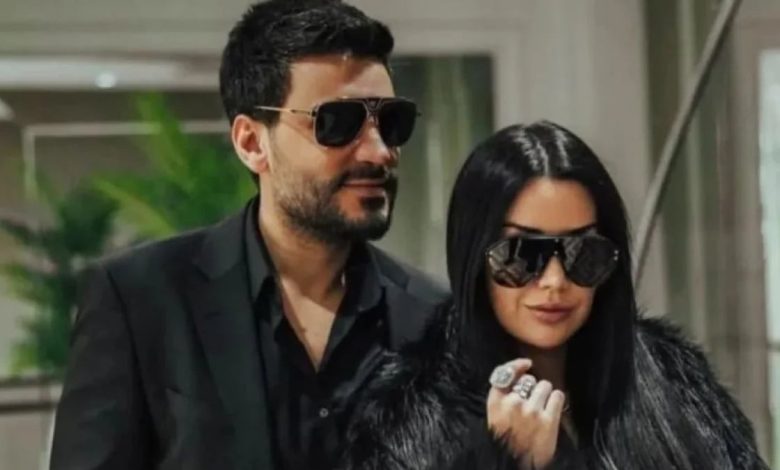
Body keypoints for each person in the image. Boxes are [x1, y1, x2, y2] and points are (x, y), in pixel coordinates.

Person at [49, 1, 447, 469]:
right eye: (338, 123)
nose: (380, 152)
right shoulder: (141, 300)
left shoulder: (433, 319)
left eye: (392, 121)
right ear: (252, 143)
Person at [338, 121, 769, 469]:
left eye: (584, 253)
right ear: (473, 258)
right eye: (522, 254)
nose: (555, 280)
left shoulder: (670, 376)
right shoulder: (408, 425)